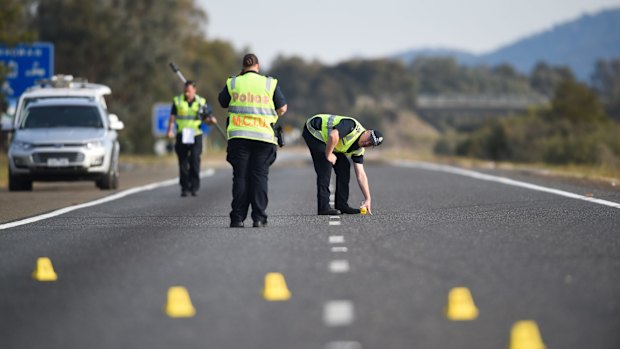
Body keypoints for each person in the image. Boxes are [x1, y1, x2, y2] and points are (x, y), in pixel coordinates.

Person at [218, 53, 288, 228]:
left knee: (240, 177)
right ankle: (258, 217)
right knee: (259, 177)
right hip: (264, 137)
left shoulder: (234, 82)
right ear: (258, 66)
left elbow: (222, 102)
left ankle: (237, 218)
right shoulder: (269, 83)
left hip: (239, 136)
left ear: (243, 67)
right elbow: (282, 108)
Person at [303, 114, 384, 215]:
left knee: (344, 166)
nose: (367, 143)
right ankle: (323, 207)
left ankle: (342, 205)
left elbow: (361, 175)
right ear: (367, 131)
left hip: (329, 141)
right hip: (314, 130)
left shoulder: (359, 150)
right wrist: (328, 155)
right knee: (325, 164)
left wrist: (368, 198)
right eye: (369, 138)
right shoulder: (352, 126)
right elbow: (333, 135)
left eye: (371, 143)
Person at [166, 80, 217, 197]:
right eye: (185, 91)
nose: (187, 94)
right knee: (183, 161)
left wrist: (211, 121)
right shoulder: (177, 101)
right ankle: (184, 187)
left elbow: (206, 119)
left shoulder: (201, 102)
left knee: (194, 159)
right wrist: (169, 130)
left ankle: (194, 187)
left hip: (195, 134)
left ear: (195, 90)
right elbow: (172, 117)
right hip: (182, 134)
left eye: (189, 91)